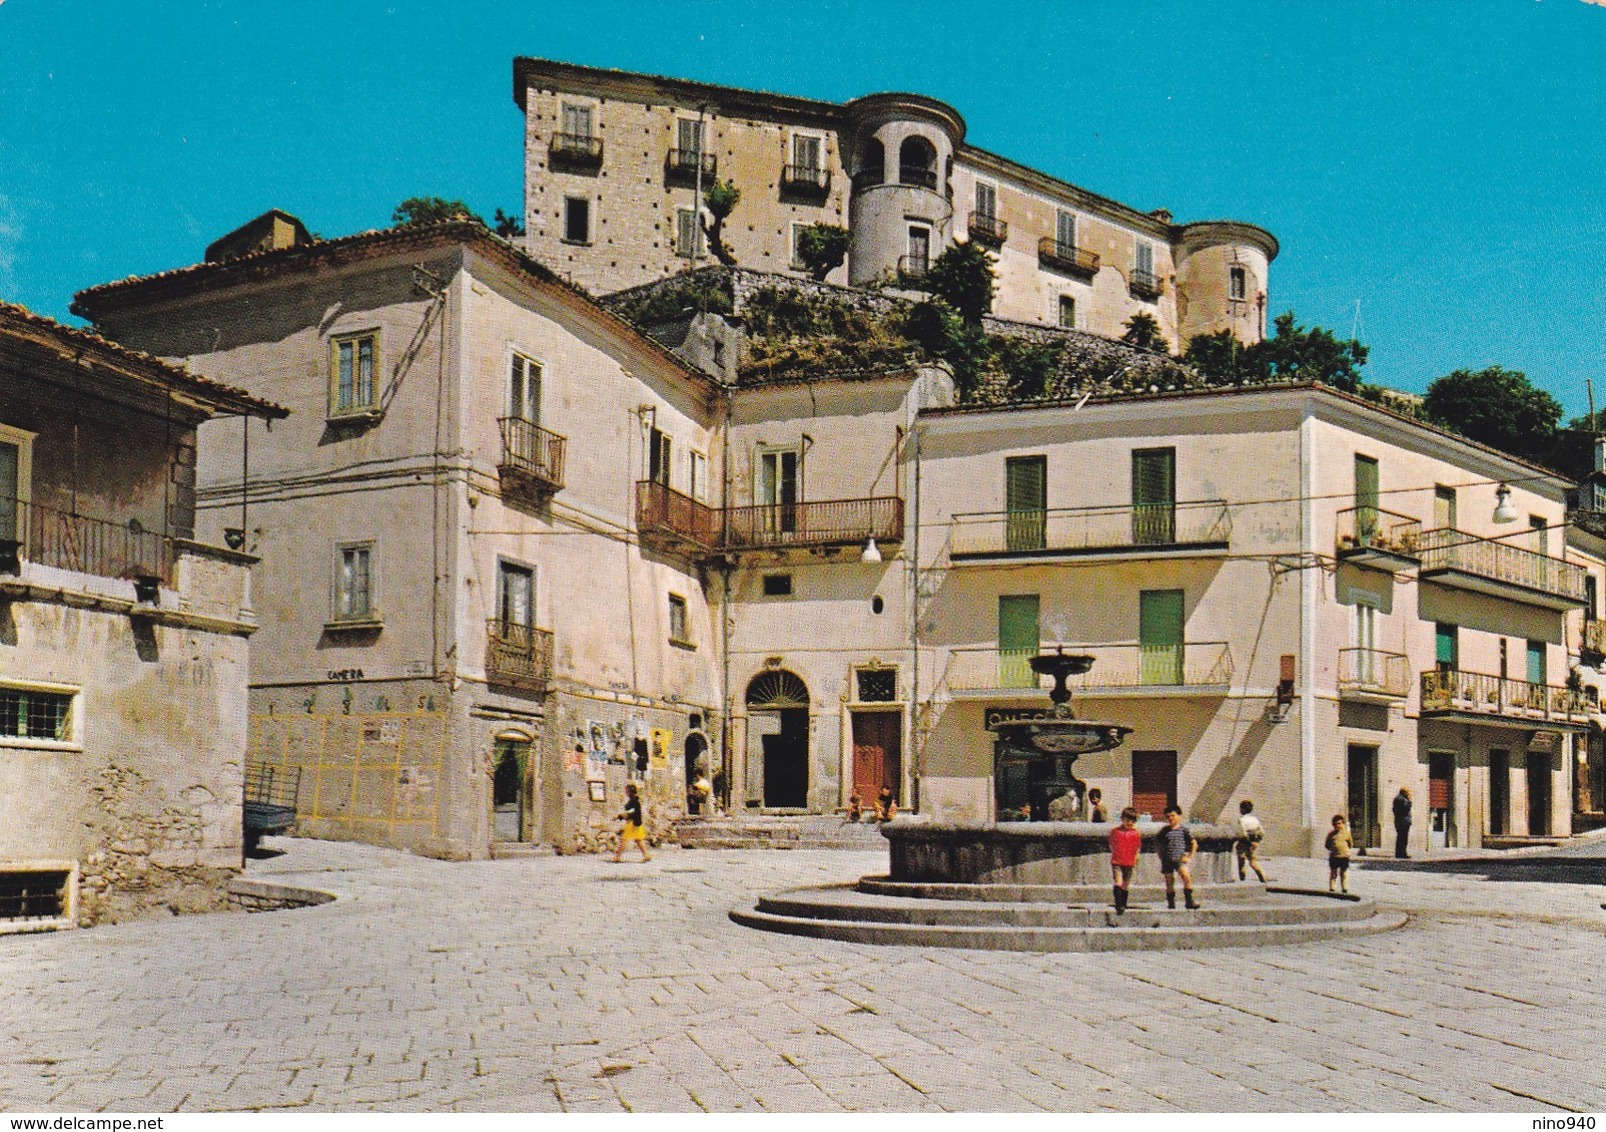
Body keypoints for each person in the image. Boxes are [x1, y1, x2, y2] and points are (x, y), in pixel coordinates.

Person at [1158, 805, 1200, 910]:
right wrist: (1160, 854)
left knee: (1186, 877)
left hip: (1180, 858)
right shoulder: (1164, 831)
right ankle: (1171, 903)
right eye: (1168, 816)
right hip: (1167, 860)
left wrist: (1190, 856)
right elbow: (1158, 843)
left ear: (1179, 816)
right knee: (1169, 881)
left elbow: (1194, 843)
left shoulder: (1184, 830)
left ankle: (1189, 901)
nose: (1171, 818)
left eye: (1173, 815)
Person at [1108, 806, 1142, 914]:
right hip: (1117, 861)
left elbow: (1137, 846)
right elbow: (1112, 844)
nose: (1129, 823)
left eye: (1132, 821)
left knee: (1126, 884)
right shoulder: (1116, 831)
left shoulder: (1136, 833)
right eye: (1127, 820)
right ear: (1122, 819)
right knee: (1118, 881)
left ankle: (1123, 902)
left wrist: (1136, 856)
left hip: (1129, 862)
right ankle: (1119, 904)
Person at [612, 782, 652, 863]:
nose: (626, 792)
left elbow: (630, 812)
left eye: (626, 791)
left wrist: (618, 816)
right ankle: (646, 855)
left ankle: (617, 857)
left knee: (624, 839)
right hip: (636, 823)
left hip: (632, 823)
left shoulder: (633, 802)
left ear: (629, 792)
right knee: (638, 840)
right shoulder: (634, 801)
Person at [1235, 799, 1268, 883]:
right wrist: (1256, 841)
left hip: (1244, 843)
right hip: (1253, 843)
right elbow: (1262, 832)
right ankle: (1263, 879)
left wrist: (1247, 841)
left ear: (1242, 809)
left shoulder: (1241, 820)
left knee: (1241, 863)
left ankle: (1242, 880)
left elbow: (1243, 833)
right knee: (1253, 862)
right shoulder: (1255, 819)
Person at [1325, 813, 1353, 893]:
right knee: (1333, 873)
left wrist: (1345, 850)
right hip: (1334, 857)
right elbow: (1327, 845)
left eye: (1339, 823)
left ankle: (1344, 888)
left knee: (1343, 873)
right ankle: (1332, 888)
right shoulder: (1331, 835)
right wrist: (1333, 850)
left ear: (1343, 824)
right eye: (1335, 824)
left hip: (1344, 856)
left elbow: (1350, 844)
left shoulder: (1346, 833)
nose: (1337, 825)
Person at [1392, 787, 1413, 859]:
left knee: (1401, 837)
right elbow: (1406, 808)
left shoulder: (1398, 799)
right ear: (1404, 792)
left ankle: (1400, 852)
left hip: (1400, 820)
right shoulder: (1402, 799)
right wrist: (1409, 801)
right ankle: (1401, 853)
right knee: (1403, 838)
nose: (1409, 794)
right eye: (1408, 792)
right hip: (1403, 821)